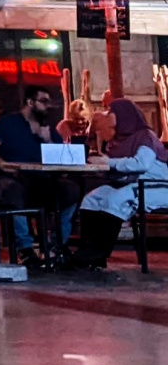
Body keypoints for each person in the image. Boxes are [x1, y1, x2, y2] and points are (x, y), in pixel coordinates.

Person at [0, 88, 78, 267]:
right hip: (11, 177)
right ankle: (25, 249)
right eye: (44, 101)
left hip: (40, 180)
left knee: (71, 190)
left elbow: (63, 159)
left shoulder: (47, 128)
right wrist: (1, 164)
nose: (48, 106)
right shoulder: (9, 123)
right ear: (30, 102)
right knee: (13, 191)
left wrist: (48, 140)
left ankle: (57, 246)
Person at [74, 99, 168, 267]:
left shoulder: (145, 136)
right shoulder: (118, 140)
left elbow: (141, 164)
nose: (108, 115)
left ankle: (99, 251)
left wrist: (108, 163)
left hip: (156, 185)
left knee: (116, 199)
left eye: (111, 112)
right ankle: (90, 251)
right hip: (132, 183)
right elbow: (118, 167)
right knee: (92, 198)